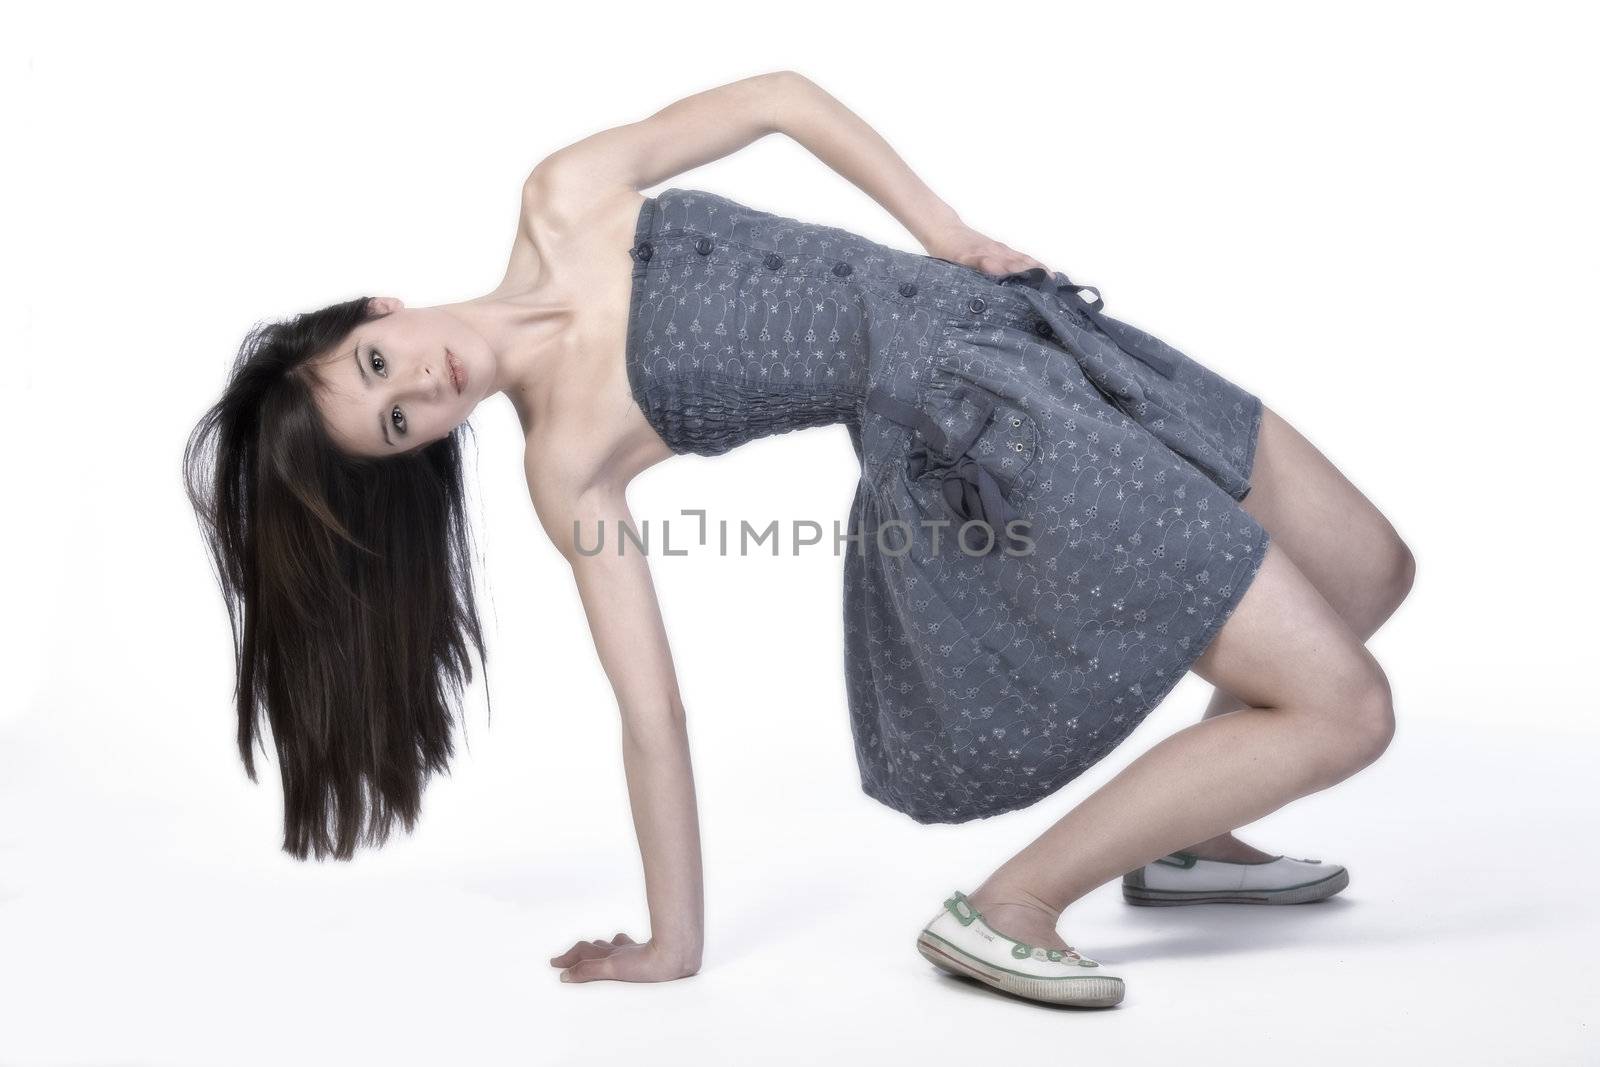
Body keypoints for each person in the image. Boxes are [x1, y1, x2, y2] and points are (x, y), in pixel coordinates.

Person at [183, 71, 1415, 1008]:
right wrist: (672, 943)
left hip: (1026, 329)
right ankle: (1007, 905)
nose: (423, 386)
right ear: (419, 452)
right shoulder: (568, 460)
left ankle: (1189, 837)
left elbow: (778, 97)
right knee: (1345, 709)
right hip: (998, 440)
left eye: (378, 362)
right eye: (397, 423)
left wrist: (942, 227)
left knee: (1368, 567)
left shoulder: (565, 195)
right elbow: (650, 712)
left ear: (375, 309)